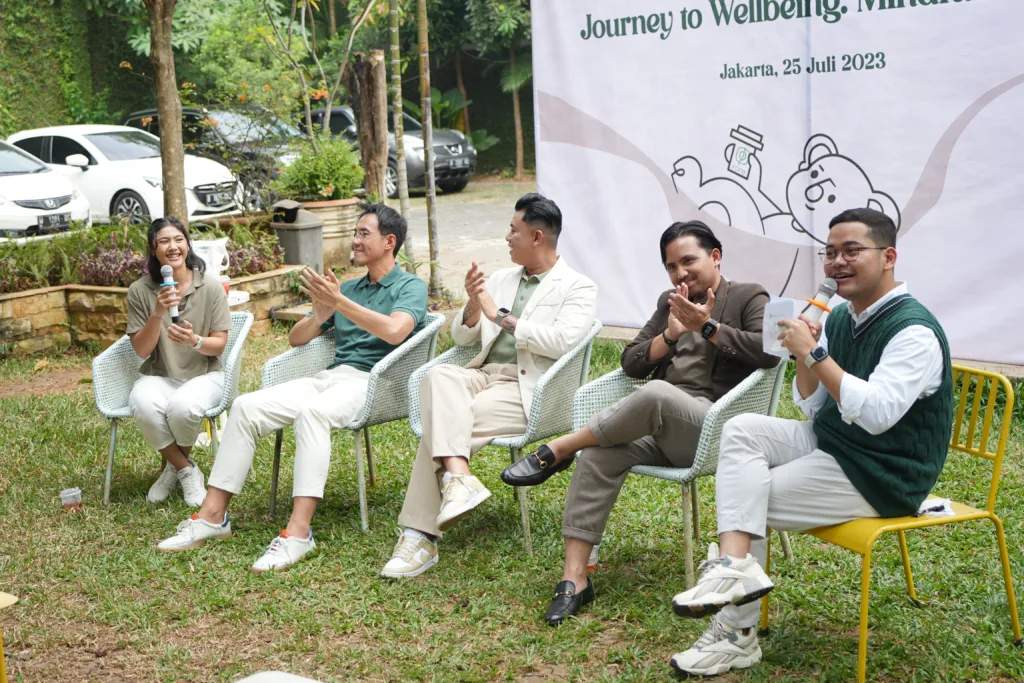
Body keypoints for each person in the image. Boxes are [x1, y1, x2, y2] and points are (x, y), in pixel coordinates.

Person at [669, 207, 953, 677]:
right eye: (830, 252)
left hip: (884, 471)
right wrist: (804, 356)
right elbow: (815, 405)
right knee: (742, 429)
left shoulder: (914, 331)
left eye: (852, 251)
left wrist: (813, 351)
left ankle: (736, 632)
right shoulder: (842, 315)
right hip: (837, 444)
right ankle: (734, 572)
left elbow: (878, 416)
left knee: (749, 498)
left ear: (889, 257)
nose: (837, 262)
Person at [501, 220, 780, 625]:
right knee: (599, 453)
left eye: (689, 261)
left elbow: (769, 352)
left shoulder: (749, 295)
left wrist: (706, 326)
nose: (680, 273)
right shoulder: (670, 300)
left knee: (654, 394)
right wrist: (669, 335)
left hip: (719, 428)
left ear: (715, 257)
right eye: (671, 266)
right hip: (662, 426)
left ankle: (561, 447)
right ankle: (575, 578)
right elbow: (631, 362)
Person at [156, 204, 428, 572]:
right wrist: (320, 314)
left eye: (364, 233)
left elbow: (397, 332)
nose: (355, 240)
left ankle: (298, 535)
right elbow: (296, 340)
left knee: (312, 414)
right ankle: (212, 517)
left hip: (378, 383)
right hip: (330, 378)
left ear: (389, 241)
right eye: (356, 233)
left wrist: (340, 302)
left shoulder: (410, 286)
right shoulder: (347, 287)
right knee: (247, 406)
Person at [379, 193, 598, 578]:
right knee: (437, 376)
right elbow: (463, 341)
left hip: (529, 389)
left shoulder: (578, 287)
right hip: (481, 374)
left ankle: (419, 536)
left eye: (513, 230)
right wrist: (472, 306)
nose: (506, 237)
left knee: (441, 425)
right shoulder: (500, 278)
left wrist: (503, 317)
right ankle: (460, 479)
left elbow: (563, 342)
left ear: (536, 237)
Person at [127, 216, 232, 507]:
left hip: (205, 374)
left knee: (183, 407)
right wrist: (158, 312)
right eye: (164, 241)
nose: (172, 247)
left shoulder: (210, 287)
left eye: (178, 239)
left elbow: (219, 345)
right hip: (161, 374)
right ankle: (186, 470)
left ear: (187, 245)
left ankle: (172, 469)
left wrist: (194, 341)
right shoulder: (140, 290)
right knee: (141, 401)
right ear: (153, 250)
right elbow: (141, 350)